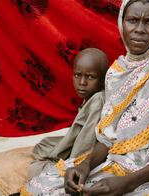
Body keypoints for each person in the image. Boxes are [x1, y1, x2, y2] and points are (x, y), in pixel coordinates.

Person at [21, 0, 149, 196]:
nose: (139, 29)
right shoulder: (116, 73)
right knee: (41, 187)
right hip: (117, 163)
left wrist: (127, 183)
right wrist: (84, 166)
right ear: (122, 23)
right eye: (132, 20)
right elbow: (109, 137)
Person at [27, 48, 109, 179]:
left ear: (103, 79)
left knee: (35, 169)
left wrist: (70, 165)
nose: (82, 82)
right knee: (43, 144)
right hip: (80, 147)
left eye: (90, 77)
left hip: (88, 158)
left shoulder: (98, 101)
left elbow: (85, 144)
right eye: (77, 75)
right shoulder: (89, 97)